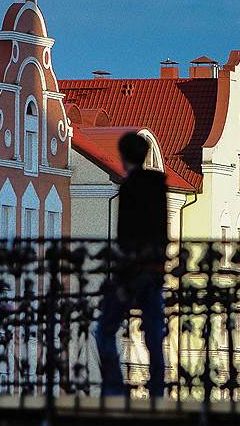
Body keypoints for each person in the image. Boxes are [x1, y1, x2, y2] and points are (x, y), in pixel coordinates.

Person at [95, 132, 168, 397]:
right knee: (154, 332)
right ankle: (158, 387)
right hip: (155, 269)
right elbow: (162, 230)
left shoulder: (129, 188)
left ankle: (114, 387)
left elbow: (124, 234)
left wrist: (121, 267)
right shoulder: (158, 186)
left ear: (124, 157)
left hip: (131, 271)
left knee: (104, 329)